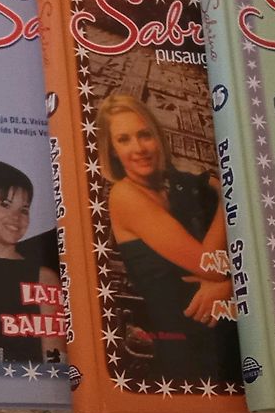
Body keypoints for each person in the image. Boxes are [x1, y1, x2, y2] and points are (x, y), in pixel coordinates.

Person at [97, 93, 241, 384]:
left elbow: (236, 259)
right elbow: (212, 264)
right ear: (111, 150)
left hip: (223, 338)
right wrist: (228, 202)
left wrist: (227, 286)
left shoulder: (177, 187)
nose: (139, 148)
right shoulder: (125, 196)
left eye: (144, 135)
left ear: (157, 137)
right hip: (187, 353)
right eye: (124, 140)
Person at [0, 160, 64, 363]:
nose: (16, 217)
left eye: (24, 210)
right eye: (5, 204)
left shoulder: (44, 278)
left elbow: (56, 359)